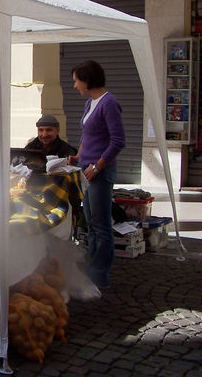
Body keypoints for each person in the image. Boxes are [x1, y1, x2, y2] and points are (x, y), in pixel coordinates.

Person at [68, 60, 126, 289]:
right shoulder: (90, 103)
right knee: (91, 222)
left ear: (87, 80)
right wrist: (78, 157)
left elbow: (118, 141)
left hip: (99, 173)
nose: (75, 86)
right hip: (86, 169)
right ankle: (92, 269)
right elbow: (87, 136)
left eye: (76, 81)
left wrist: (97, 165)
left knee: (101, 225)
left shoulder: (109, 103)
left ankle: (99, 275)